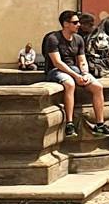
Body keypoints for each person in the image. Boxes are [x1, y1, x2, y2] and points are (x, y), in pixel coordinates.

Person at [41, 11, 99, 139]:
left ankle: (100, 125)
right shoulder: (53, 39)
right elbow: (57, 62)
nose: (79, 25)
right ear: (66, 24)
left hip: (74, 70)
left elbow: (82, 60)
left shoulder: (78, 39)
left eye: (79, 22)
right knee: (69, 83)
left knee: (97, 86)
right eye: (75, 22)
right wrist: (75, 75)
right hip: (55, 71)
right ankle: (69, 124)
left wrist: (85, 73)